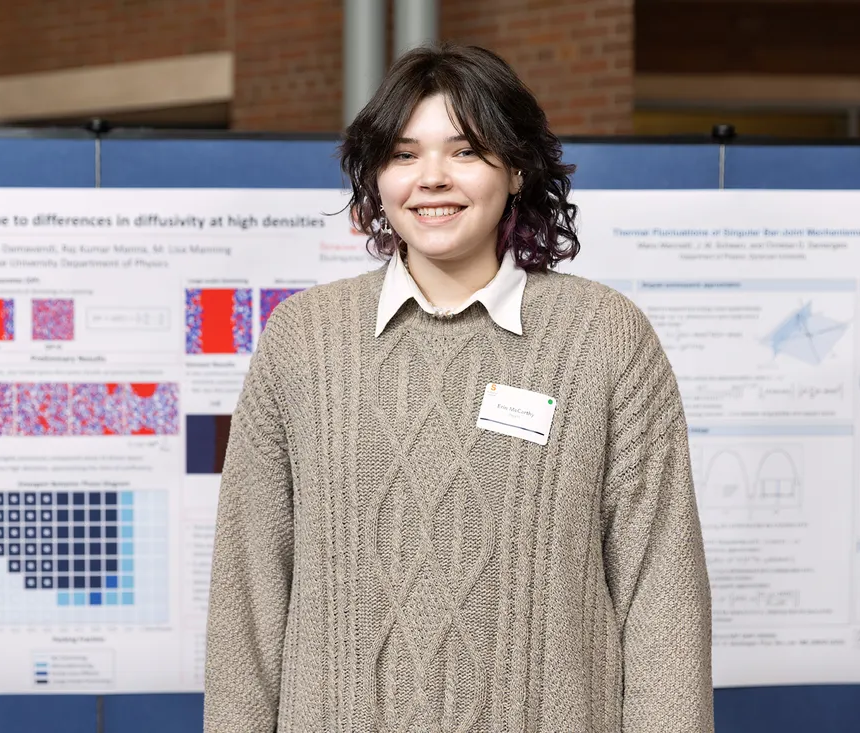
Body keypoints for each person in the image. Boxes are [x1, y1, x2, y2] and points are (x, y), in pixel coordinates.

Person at [204, 43, 713, 732]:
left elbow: (663, 597)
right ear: (376, 177)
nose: (432, 179)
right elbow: (248, 597)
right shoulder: (302, 341)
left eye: (466, 151)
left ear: (517, 168)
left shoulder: (605, 337)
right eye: (405, 154)